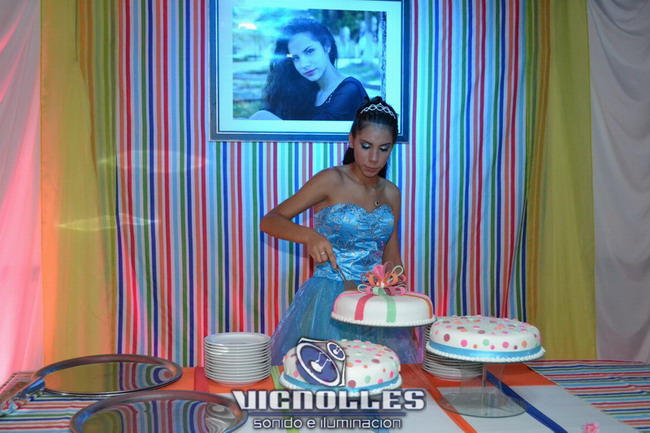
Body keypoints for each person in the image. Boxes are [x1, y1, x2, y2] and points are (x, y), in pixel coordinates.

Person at [260, 97, 420, 365]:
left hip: (376, 302)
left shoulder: (392, 193)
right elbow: (270, 220)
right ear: (351, 140)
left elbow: (391, 256)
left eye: (384, 149)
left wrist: (402, 310)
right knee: (327, 376)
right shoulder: (331, 180)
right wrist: (310, 236)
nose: (374, 158)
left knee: (376, 376)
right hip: (330, 300)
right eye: (366, 146)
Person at [250, 18, 368, 121]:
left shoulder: (350, 89)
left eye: (309, 51)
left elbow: (316, 135)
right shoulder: (309, 90)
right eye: (296, 58)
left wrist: (263, 117)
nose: (304, 64)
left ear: (326, 46)